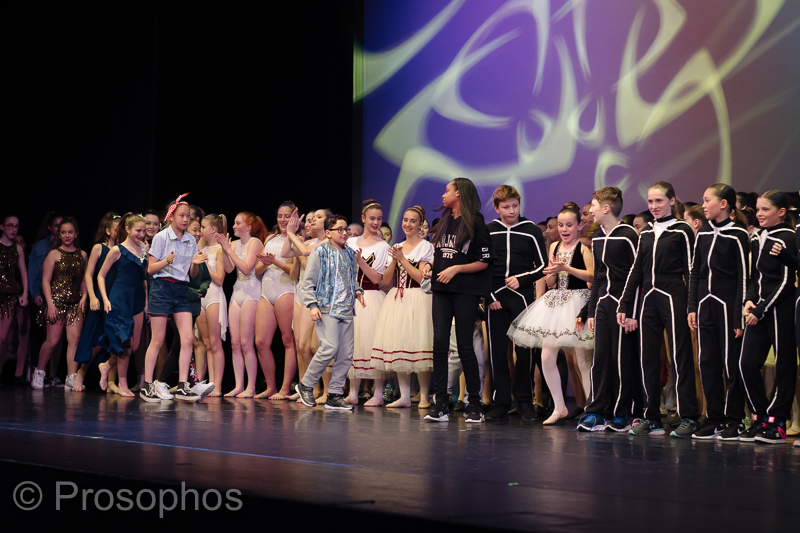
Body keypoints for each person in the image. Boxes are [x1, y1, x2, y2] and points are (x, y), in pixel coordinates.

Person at [617, 181, 699, 437]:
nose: (654, 206)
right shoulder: (646, 232)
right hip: (649, 298)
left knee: (680, 356)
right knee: (648, 358)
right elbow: (636, 270)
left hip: (674, 295)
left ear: (672, 201)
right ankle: (651, 416)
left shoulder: (682, 229)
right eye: (651, 201)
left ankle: (688, 417)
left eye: (659, 201)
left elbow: (691, 270)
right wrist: (625, 304)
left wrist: (692, 305)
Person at [508, 203, 594, 425]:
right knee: (546, 357)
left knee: (582, 360)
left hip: (578, 303)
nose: (564, 229)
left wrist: (567, 269)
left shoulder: (583, 248)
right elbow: (550, 282)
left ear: (578, 226)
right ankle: (559, 407)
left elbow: (592, 277)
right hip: (556, 303)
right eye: (561, 225)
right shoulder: (554, 246)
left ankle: (593, 408)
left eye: (569, 225)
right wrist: (552, 272)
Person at [425, 178, 495, 423]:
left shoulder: (476, 223)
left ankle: (474, 404)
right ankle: (441, 404)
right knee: (439, 345)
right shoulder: (445, 221)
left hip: (465, 291)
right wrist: (430, 266)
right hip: (441, 291)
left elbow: (484, 261)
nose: (443, 195)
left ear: (459, 194)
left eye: (447, 190)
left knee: (465, 346)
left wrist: (456, 269)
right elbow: (444, 255)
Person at [686, 184, 749, 440]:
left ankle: (734, 419)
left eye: (707, 200)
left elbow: (744, 276)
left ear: (724, 204)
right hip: (705, 305)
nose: (703, 205)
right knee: (707, 362)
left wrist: (738, 316)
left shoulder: (738, 234)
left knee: (730, 363)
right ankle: (714, 418)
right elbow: (695, 272)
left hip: (728, 305)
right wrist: (692, 306)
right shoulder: (702, 234)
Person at [577, 187, 639, 432]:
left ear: (606, 208)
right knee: (600, 359)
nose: (590, 210)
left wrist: (631, 311)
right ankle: (597, 412)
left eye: (593, 205)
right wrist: (592, 311)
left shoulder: (628, 235)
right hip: (603, 304)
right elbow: (599, 278)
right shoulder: (598, 238)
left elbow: (637, 275)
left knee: (621, 360)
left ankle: (623, 413)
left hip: (623, 307)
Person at [738, 190, 797, 444]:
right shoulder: (759, 237)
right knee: (746, 363)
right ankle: (760, 416)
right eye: (758, 209)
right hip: (759, 309)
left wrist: (760, 308)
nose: (759, 214)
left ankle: (778, 421)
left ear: (781, 212)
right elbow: (755, 277)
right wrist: (749, 299)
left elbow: (785, 282)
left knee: (784, 366)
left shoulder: (788, 237)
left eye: (766, 209)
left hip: (780, 310)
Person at [484, 185, 546, 421]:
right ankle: (501, 402)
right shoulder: (488, 231)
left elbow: (542, 266)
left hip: (523, 297)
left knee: (525, 350)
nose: (511, 211)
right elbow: (481, 267)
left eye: (515, 206)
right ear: (497, 208)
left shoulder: (531, 230)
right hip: (495, 298)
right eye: (506, 207)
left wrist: (522, 279)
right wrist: (489, 296)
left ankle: (525, 401)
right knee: (498, 351)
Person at [140, 194, 207, 402]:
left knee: (187, 338)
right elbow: (150, 269)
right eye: (181, 216)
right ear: (172, 217)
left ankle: (183, 385)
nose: (185, 219)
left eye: (188, 216)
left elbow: (192, 274)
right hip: (162, 287)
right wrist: (166, 261)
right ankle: (147, 385)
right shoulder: (162, 237)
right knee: (158, 339)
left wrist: (195, 263)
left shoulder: (190, 240)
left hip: (181, 289)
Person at [294, 215, 365, 410]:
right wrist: (312, 305)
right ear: (328, 233)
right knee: (329, 347)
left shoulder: (349, 253)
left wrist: (358, 291)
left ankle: (334, 394)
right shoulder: (320, 252)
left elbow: (351, 278)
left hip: (346, 310)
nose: (344, 233)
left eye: (345, 230)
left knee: (346, 354)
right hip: (327, 308)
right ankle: (305, 385)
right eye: (339, 230)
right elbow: (308, 282)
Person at [370, 205, 434, 408]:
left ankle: (424, 396)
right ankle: (404, 396)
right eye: (405, 220)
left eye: (413, 221)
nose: (408, 224)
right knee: (399, 345)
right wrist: (393, 261)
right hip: (398, 298)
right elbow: (387, 280)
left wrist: (402, 259)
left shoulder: (425, 247)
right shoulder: (397, 246)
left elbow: (421, 278)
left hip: (418, 297)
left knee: (420, 346)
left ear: (420, 224)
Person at [32, 217, 87, 389]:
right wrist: (50, 304)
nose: (67, 235)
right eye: (63, 232)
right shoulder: (54, 254)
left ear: (76, 234)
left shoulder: (82, 255)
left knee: (74, 339)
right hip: (56, 302)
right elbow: (46, 281)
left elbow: (83, 280)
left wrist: (84, 297)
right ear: (59, 235)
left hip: (75, 303)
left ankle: (71, 376)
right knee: (52, 341)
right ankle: (39, 372)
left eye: (70, 232)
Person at [98, 214, 149, 397]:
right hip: (120, 298)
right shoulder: (117, 250)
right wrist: (105, 299)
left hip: (137, 298)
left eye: (143, 231)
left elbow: (143, 279)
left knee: (134, 345)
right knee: (125, 344)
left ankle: (106, 365)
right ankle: (123, 385)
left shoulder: (143, 249)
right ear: (127, 229)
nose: (141, 234)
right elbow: (101, 275)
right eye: (138, 230)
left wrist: (146, 303)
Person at [217, 211, 267, 397]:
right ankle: (239, 385)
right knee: (235, 343)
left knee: (246, 343)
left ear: (249, 227)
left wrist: (228, 250)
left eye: (238, 223)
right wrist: (224, 249)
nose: (234, 226)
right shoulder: (234, 244)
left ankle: (251, 386)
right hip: (237, 292)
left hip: (251, 293)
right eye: (234, 223)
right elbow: (230, 269)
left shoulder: (255, 242)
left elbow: (246, 269)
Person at [347, 200, 391, 406]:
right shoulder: (350, 242)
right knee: (353, 344)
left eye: (379, 219)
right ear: (363, 218)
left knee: (373, 344)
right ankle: (353, 392)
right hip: (350, 298)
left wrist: (361, 262)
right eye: (372, 218)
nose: (375, 222)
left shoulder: (383, 246)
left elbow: (376, 278)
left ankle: (378, 394)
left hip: (371, 297)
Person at [254, 202, 297, 400]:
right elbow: (257, 270)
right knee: (261, 342)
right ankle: (270, 386)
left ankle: (285, 388)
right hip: (267, 290)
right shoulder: (270, 239)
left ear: (294, 217)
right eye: (280, 216)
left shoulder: (297, 239)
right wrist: (264, 263)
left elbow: (294, 271)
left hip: (285, 290)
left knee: (288, 340)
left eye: (287, 216)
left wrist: (274, 262)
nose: (283, 220)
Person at [72, 212, 120, 391]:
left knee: (116, 340)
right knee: (96, 339)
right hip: (100, 298)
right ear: (108, 231)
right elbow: (88, 274)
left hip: (117, 299)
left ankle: (110, 379)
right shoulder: (99, 248)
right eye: (116, 229)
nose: (120, 233)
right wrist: (92, 296)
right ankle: (81, 373)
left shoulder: (123, 249)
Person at [198, 214, 228, 396]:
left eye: (203, 227)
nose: (200, 230)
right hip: (201, 297)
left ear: (213, 229)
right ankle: (210, 384)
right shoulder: (202, 249)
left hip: (214, 297)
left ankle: (218, 385)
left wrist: (204, 263)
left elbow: (219, 279)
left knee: (215, 343)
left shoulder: (219, 250)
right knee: (207, 343)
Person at [0, 215, 29, 384]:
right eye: (10, 225)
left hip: (10, 296)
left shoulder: (17, 249)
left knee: (3, 339)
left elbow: (24, 273)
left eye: (16, 226)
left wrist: (24, 294)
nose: (13, 229)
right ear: (2, 227)